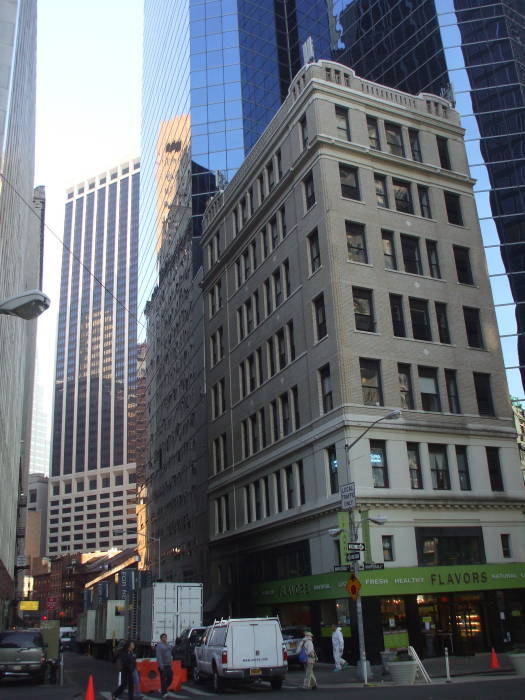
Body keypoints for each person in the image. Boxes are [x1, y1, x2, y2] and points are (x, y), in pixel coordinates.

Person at [156, 632, 173, 698]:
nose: (164, 638)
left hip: (168, 664)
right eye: (163, 637)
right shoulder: (159, 646)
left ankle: (163, 689)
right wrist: (161, 665)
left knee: (170, 678)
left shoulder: (168, 645)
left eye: (165, 637)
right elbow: (159, 656)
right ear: (161, 638)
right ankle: (164, 693)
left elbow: (171, 653)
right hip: (163, 665)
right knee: (163, 679)